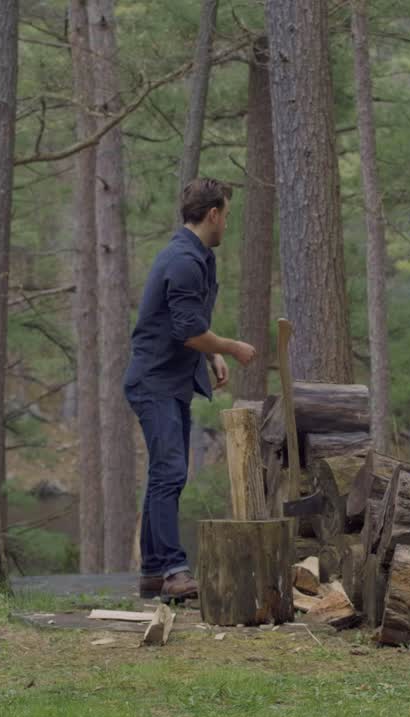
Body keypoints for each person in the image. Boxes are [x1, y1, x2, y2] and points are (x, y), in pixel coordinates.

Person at [123, 178, 257, 602]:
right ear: (213, 213)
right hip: (154, 381)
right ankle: (175, 572)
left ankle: (152, 572)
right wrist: (231, 348)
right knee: (170, 472)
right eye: (227, 216)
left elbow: (187, 325)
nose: (227, 224)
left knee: (166, 474)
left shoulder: (197, 257)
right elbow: (186, 329)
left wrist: (210, 354)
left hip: (170, 380)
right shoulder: (183, 259)